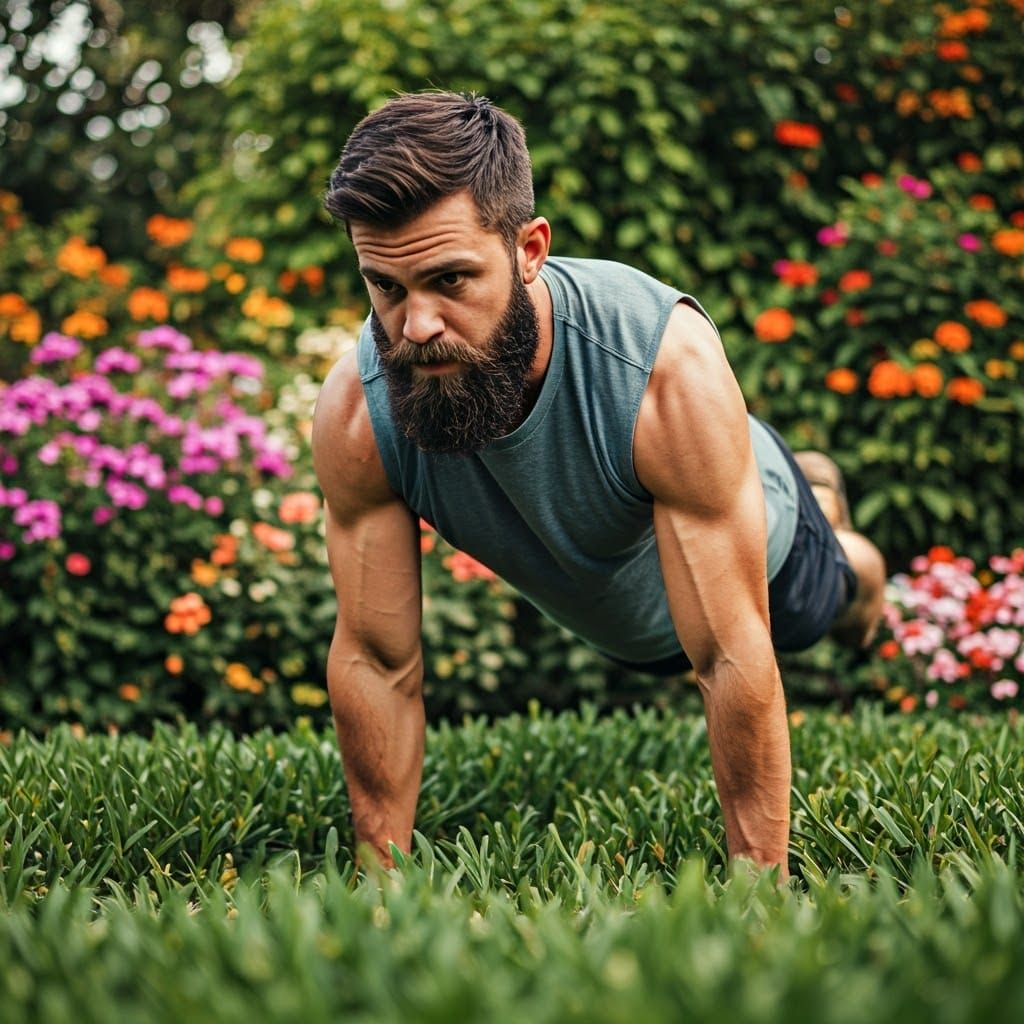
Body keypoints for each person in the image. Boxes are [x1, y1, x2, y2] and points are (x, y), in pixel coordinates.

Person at [311, 91, 886, 875]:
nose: (416, 326)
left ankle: (830, 524)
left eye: (451, 280)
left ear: (530, 248)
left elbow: (725, 654)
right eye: (386, 287)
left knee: (834, 604)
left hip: (773, 563)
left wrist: (761, 889)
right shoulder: (359, 410)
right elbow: (377, 660)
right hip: (625, 606)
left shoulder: (661, 368)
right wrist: (378, 884)